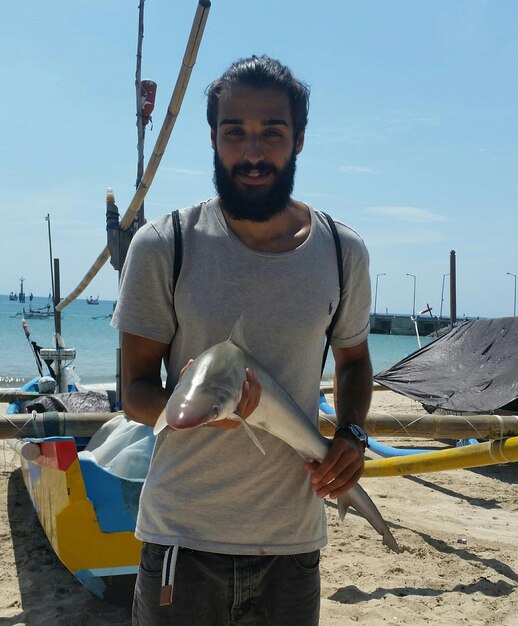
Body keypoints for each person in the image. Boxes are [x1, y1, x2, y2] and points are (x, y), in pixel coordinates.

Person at [112, 54, 372, 626]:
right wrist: (207, 413)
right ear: (213, 137)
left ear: (299, 139)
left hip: (293, 547)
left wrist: (352, 433)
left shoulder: (342, 251)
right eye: (234, 132)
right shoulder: (163, 245)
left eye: (271, 132)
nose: (252, 152)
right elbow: (133, 392)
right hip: (182, 540)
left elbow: (353, 361)